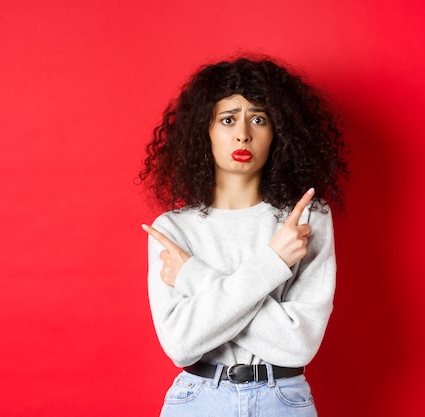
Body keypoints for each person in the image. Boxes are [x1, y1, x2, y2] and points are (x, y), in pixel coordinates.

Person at [138, 55, 348, 417]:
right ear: (204, 130)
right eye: (228, 119)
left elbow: (298, 345)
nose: (243, 134)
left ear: (277, 132)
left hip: (283, 399)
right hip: (197, 399)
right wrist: (274, 263)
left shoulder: (306, 219)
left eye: (258, 119)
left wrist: (194, 277)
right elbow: (180, 344)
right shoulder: (173, 229)